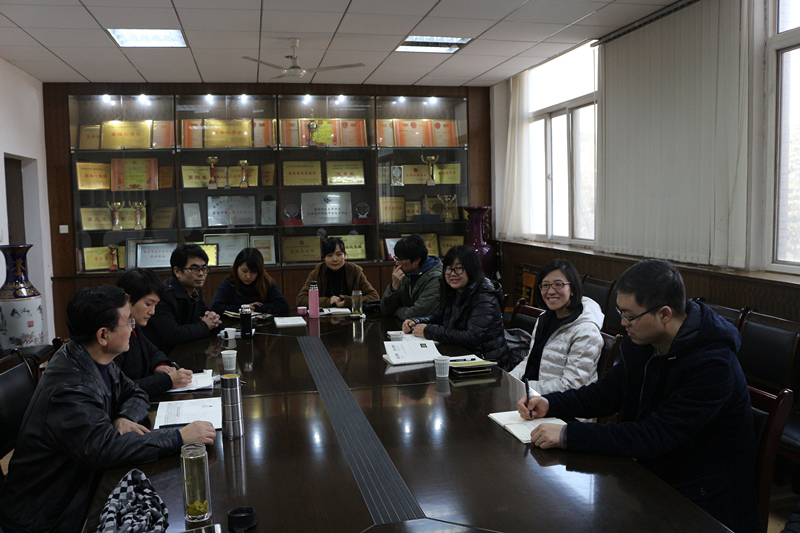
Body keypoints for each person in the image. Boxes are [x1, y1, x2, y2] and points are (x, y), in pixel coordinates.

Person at [516, 259, 759, 533]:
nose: (623, 323)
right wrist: (551, 403)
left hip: (700, 497)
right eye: (620, 312)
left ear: (664, 314)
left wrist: (567, 434)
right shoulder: (647, 340)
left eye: (629, 316)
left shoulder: (713, 365)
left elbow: (654, 436)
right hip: (650, 474)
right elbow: (606, 393)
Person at [0, 285, 216, 533]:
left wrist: (123, 417)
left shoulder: (93, 357)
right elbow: (104, 450)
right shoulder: (70, 388)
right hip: (48, 515)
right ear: (103, 335)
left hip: (80, 486)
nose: (133, 327)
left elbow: (135, 392)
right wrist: (178, 437)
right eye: (127, 321)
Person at [403, 245, 510, 368]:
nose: (452, 274)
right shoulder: (453, 291)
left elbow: (472, 337)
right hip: (460, 355)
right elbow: (437, 317)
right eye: (449, 269)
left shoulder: (485, 296)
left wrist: (428, 331)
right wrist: (416, 322)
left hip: (486, 364)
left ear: (471, 269)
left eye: (458, 269)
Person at [509, 259, 604, 394]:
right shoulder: (544, 319)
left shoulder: (586, 330)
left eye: (558, 284)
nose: (550, 291)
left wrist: (524, 388)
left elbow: (572, 385)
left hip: (561, 402)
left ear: (572, 289)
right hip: (532, 393)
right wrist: (510, 380)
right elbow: (529, 361)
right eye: (545, 285)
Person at [115, 268, 193, 397]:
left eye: (155, 305)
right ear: (126, 299)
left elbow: (152, 351)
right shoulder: (114, 334)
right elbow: (119, 388)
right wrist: (167, 381)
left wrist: (160, 365)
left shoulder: (133, 325)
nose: (152, 312)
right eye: (148, 304)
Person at [142, 243, 222, 354]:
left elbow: (204, 314)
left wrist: (213, 318)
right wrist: (205, 325)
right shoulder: (163, 295)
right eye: (194, 269)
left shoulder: (195, 289)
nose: (201, 274)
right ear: (177, 271)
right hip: (166, 355)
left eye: (204, 269)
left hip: (190, 351)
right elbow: (173, 334)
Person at [296, 237, 379, 309]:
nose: (335, 259)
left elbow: (374, 297)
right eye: (330, 255)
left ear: (344, 255)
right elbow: (301, 300)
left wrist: (349, 301)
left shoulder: (355, 271)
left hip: (351, 318)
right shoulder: (317, 273)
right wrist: (327, 301)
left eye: (339, 254)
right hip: (324, 319)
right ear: (324, 258)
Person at [210, 247, 289, 316]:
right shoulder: (229, 283)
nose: (248, 276)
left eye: (253, 272)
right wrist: (245, 308)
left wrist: (255, 308)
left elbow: (283, 306)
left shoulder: (265, 283)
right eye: (244, 271)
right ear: (236, 268)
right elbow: (214, 307)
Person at [380, 233, 442, 320]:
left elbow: (415, 314)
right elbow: (385, 310)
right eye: (396, 258)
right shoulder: (406, 273)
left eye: (401, 260)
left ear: (416, 260)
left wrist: (397, 311)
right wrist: (394, 288)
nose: (397, 263)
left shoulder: (436, 278)